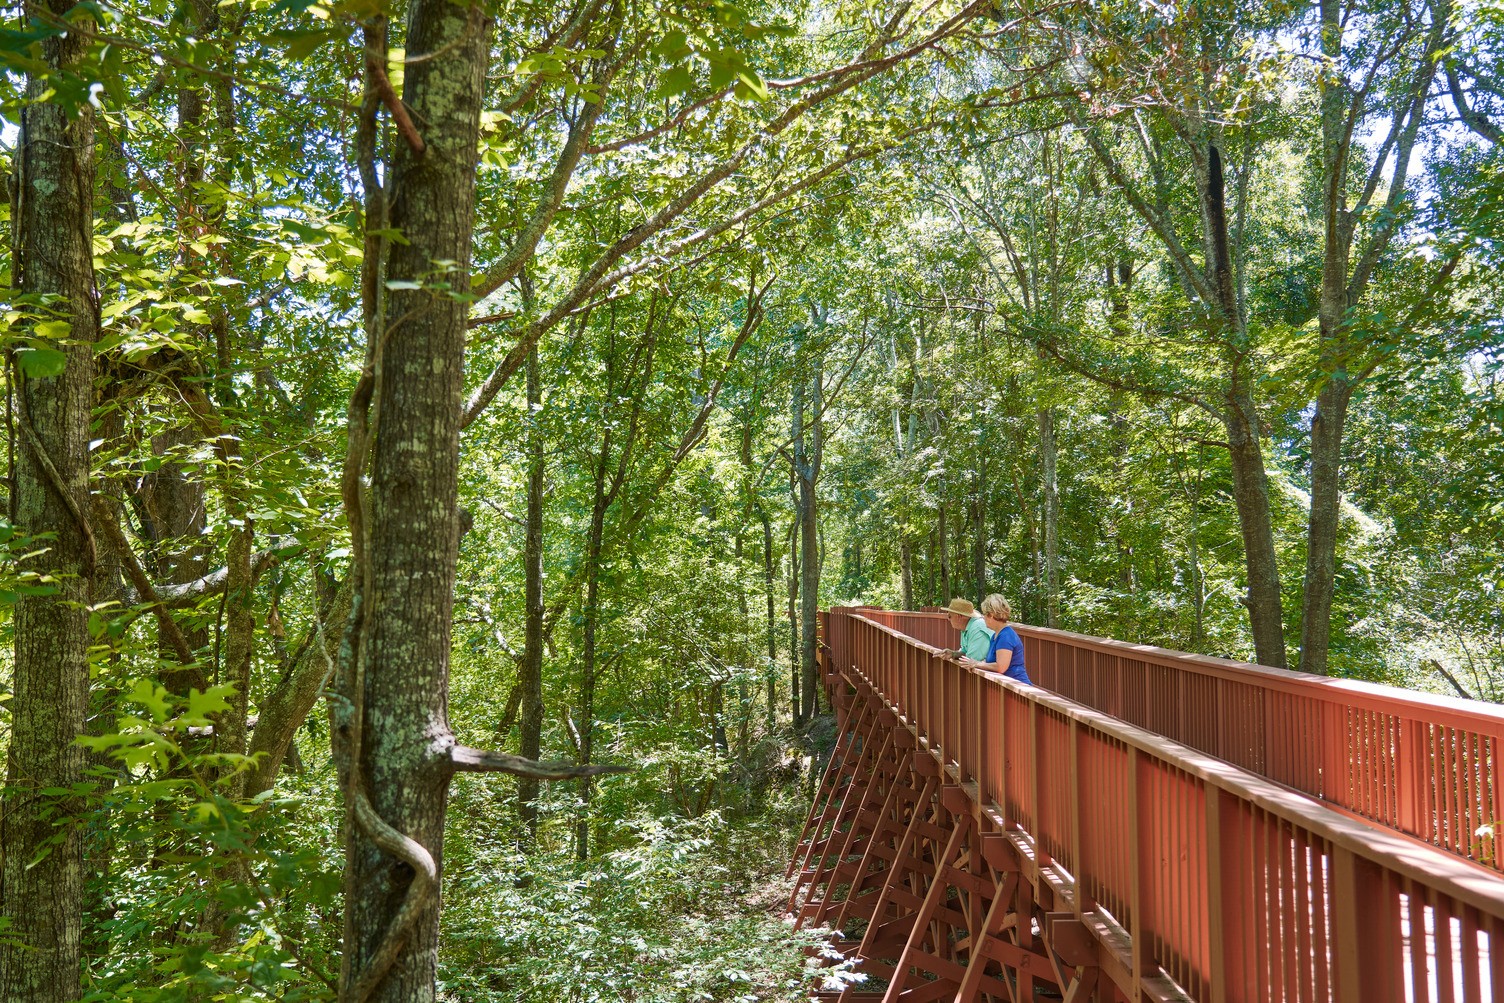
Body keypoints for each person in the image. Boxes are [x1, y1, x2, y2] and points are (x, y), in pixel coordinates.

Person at [980, 594, 1031, 684]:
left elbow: (1001, 667)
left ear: (991, 615)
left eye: (984, 614)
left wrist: (978, 664)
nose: (983, 617)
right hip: (1008, 687)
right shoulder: (995, 635)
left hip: (1018, 688)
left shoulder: (1006, 636)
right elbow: (991, 661)